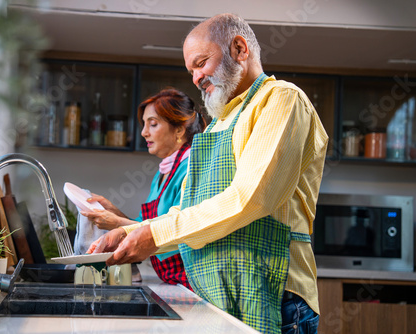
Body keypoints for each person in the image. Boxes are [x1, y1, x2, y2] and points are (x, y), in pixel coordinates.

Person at [88, 13, 329, 334]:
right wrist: (135, 231)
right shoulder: (219, 123)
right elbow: (185, 213)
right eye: (191, 71)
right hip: (222, 290)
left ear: (240, 49)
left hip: (276, 292)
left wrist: (153, 235)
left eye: (201, 63)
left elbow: (253, 198)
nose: (196, 77)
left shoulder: (281, 100)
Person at [80, 88, 206, 290]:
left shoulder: (192, 168)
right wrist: (115, 212)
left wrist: (118, 223)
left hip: (190, 283)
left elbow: (180, 229)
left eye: (153, 124)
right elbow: (142, 225)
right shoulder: (163, 172)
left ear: (179, 130)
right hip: (171, 281)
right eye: (144, 124)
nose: (143, 132)